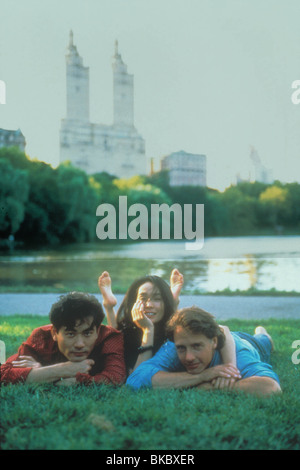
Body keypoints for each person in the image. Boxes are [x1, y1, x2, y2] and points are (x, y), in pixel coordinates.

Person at [98, 270, 240, 378]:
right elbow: (138, 377)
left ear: (165, 303)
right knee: (116, 338)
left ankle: (262, 333)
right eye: (143, 298)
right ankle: (109, 305)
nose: (149, 305)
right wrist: (109, 308)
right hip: (137, 334)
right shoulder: (128, 333)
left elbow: (223, 330)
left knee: (262, 336)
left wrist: (230, 366)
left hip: (245, 340)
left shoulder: (172, 332)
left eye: (157, 299)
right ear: (133, 303)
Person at [126, 306, 281, 396]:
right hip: (220, 334)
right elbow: (135, 379)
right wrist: (204, 376)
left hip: (250, 343)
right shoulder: (176, 346)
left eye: (197, 346)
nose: (189, 357)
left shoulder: (240, 355)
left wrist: (206, 387)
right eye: (182, 348)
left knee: (264, 341)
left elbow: (271, 388)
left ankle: (262, 333)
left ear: (213, 342)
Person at [0, 292, 126, 386]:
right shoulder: (41, 337)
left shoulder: (109, 337)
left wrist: (77, 380)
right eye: (71, 334)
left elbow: (116, 377)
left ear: (97, 331)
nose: (80, 344)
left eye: (87, 334)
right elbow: (3, 373)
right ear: (55, 333)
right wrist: (62, 370)